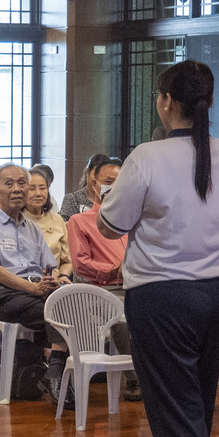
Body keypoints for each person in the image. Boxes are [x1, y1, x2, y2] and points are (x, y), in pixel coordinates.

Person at [97, 59, 219, 437]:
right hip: (218, 294)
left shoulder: (147, 156)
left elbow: (109, 227)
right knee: (196, 409)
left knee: (175, 414)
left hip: (162, 298)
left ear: (166, 101)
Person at [0, 164, 73, 401]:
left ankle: (56, 371)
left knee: (73, 304)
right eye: (9, 183)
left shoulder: (33, 230)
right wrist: (33, 287)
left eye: (21, 183)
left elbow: (50, 267)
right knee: (58, 309)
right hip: (6, 295)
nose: (17, 189)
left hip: (39, 291)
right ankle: (57, 372)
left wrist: (55, 281)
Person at [67, 159, 142, 402]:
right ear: (94, 183)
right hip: (101, 289)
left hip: (138, 284)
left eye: (120, 184)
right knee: (121, 317)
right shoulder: (79, 221)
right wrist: (112, 270)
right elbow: (80, 264)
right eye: (109, 183)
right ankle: (136, 378)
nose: (115, 189)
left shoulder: (134, 218)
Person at [23, 167, 71, 270]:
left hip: (54, 280)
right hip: (24, 280)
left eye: (42, 188)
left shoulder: (57, 219)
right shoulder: (15, 219)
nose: (38, 193)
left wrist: (63, 275)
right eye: (32, 189)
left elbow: (67, 262)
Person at [60, 153, 112, 219]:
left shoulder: (111, 201)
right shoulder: (72, 199)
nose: (99, 179)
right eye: (96, 174)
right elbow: (64, 226)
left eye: (104, 176)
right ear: (87, 172)